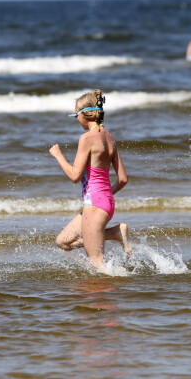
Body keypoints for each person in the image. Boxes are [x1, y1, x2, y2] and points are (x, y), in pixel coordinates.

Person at [49, 89, 131, 271]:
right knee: (63, 241)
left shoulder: (86, 138)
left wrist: (58, 155)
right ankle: (116, 232)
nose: (76, 120)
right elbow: (123, 179)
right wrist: (107, 194)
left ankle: (104, 297)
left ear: (84, 114)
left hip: (94, 204)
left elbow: (74, 176)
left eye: (75, 115)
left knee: (98, 267)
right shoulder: (110, 139)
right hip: (105, 202)